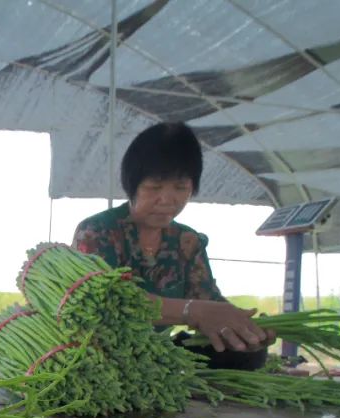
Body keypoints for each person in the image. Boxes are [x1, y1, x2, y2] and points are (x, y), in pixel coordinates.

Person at [73, 121, 274, 370]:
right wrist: (190, 311)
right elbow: (103, 302)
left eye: (181, 187)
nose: (167, 200)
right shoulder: (98, 232)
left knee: (246, 353)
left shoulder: (187, 242)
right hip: (97, 349)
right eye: (154, 187)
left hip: (155, 353)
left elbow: (208, 302)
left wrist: (243, 327)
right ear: (132, 185)